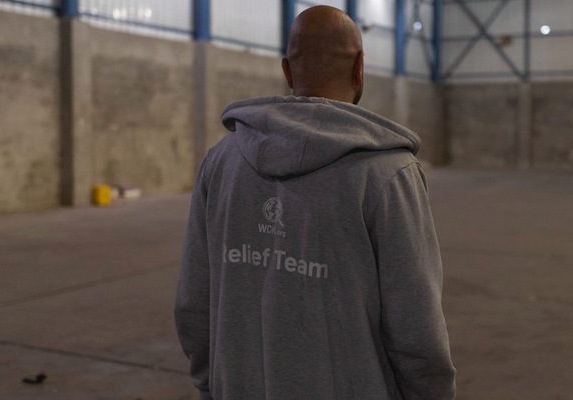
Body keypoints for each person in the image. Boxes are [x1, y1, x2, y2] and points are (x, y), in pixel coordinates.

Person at [174, 5, 455, 400]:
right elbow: (416, 328)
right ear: (360, 68)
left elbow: (192, 304)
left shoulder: (221, 162)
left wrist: (211, 384)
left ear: (288, 71)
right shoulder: (388, 175)